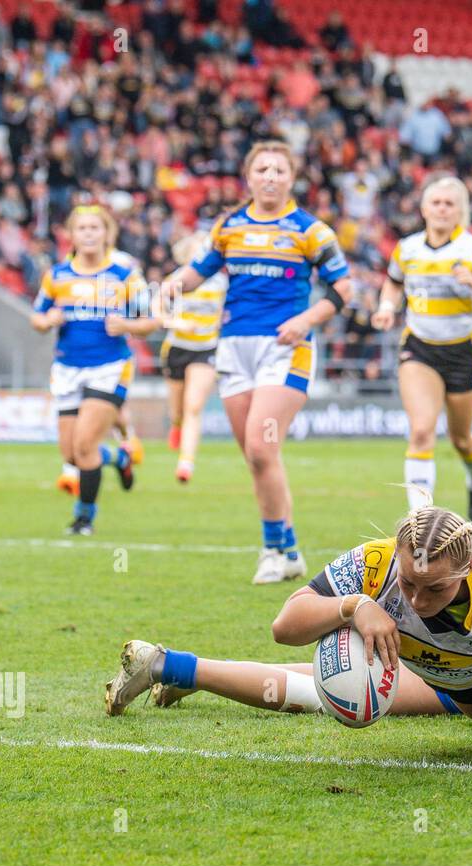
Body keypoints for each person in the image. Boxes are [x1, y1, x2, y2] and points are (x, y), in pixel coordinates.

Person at [105, 507, 472, 762]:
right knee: (322, 687)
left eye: (433, 589)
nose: (414, 600)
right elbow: (284, 627)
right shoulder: (376, 564)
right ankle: (170, 667)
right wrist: (354, 606)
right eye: (408, 583)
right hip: (454, 680)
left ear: (466, 569)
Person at [158, 141, 356, 584]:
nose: (270, 176)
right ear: (248, 177)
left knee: (262, 447)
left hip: (285, 348)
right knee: (257, 457)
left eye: (279, 170)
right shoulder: (229, 227)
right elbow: (197, 272)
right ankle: (289, 550)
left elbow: (344, 290)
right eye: (262, 168)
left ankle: (271, 550)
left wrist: (306, 319)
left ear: (291, 178)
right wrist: (172, 284)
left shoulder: (310, 230)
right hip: (233, 349)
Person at [371, 176, 472, 523]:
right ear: (423, 208)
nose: (441, 209)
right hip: (419, 349)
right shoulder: (407, 249)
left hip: (463, 352)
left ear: (459, 212)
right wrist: (387, 308)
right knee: (421, 431)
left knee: (461, 438)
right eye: (435, 202)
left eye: (449, 204)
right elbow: (393, 283)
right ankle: (419, 521)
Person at [31, 205, 158, 535]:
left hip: (109, 367)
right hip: (67, 368)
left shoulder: (123, 276)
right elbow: (37, 317)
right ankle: (118, 458)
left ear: (107, 234)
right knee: (71, 452)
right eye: (82, 228)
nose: (88, 234)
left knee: (85, 444)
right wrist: (48, 321)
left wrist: (127, 325)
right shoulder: (57, 275)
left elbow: (153, 320)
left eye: (95, 228)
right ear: (72, 235)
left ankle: (84, 517)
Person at [159, 232, 226, 484]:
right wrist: (176, 322)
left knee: (193, 406)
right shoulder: (175, 280)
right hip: (177, 348)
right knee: (177, 410)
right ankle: (176, 426)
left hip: (206, 348)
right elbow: (157, 310)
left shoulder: (220, 282)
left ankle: (186, 463)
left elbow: (225, 311)